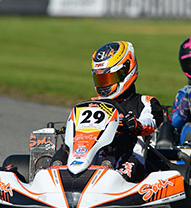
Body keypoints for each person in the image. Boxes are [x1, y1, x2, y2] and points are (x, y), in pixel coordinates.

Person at [52, 41, 164, 183]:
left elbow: (151, 121)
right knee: (67, 146)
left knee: (124, 163)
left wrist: (135, 124)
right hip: (92, 155)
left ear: (126, 71)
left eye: (109, 78)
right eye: (101, 79)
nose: (104, 85)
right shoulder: (92, 105)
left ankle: (111, 177)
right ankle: (55, 170)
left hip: (130, 156)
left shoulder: (145, 102)